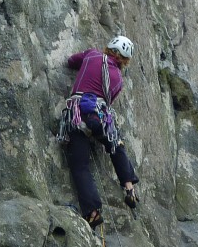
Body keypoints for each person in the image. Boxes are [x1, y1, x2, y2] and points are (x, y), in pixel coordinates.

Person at [58, 35, 139, 228]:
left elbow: (71, 61)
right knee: (116, 144)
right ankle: (129, 186)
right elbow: (110, 99)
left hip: (78, 113)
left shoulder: (92, 55)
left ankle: (93, 212)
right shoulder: (119, 79)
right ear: (125, 59)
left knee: (80, 166)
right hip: (100, 117)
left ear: (109, 47)